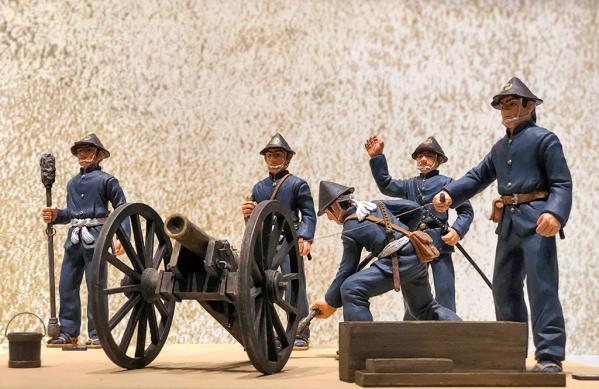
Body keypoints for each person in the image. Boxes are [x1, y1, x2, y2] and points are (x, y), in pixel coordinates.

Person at [432, 77, 572, 373]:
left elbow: (561, 183)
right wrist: (450, 193)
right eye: (503, 106)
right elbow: (477, 177)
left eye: (512, 103)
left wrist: (555, 213)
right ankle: (511, 352)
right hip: (508, 225)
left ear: (529, 105)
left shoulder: (545, 140)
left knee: (542, 287)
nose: (506, 110)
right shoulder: (499, 148)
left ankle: (549, 356)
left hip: (537, 222)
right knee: (504, 287)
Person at [310, 180, 461, 323]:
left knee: (351, 288)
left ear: (335, 207)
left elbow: (347, 269)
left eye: (328, 213)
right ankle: (466, 332)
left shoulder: (350, 229)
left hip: (398, 261)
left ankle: (360, 344)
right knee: (424, 308)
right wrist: (404, 235)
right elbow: (413, 208)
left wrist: (330, 301)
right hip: (416, 256)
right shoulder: (376, 205)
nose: (330, 218)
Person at [366, 135, 474, 316]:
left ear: (438, 160)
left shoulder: (448, 183)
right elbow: (386, 185)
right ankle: (412, 329)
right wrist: (377, 157)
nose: (423, 159)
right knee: (413, 293)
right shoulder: (410, 185)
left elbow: (466, 211)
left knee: (445, 291)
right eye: (420, 155)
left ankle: (449, 330)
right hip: (414, 244)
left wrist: (457, 230)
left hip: (440, 242)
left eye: (429, 155)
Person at [42, 133, 127, 348]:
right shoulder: (72, 183)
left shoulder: (107, 181)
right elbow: (71, 213)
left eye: (88, 151)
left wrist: (123, 238)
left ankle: (98, 332)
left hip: (97, 238)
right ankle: (68, 331)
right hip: (74, 240)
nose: (83, 155)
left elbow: (122, 209)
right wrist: (56, 214)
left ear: (98, 155)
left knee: (96, 286)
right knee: (67, 285)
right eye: (80, 151)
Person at [241, 133, 316, 350]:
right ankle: (262, 332)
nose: (273, 159)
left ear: (287, 158)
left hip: (289, 242)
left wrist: (305, 237)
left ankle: (299, 331)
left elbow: (308, 214)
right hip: (265, 244)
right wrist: (247, 213)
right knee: (261, 286)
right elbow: (253, 222)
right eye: (270, 155)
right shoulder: (258, 188)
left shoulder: (297, 184)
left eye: (278, 155)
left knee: (294, 286)